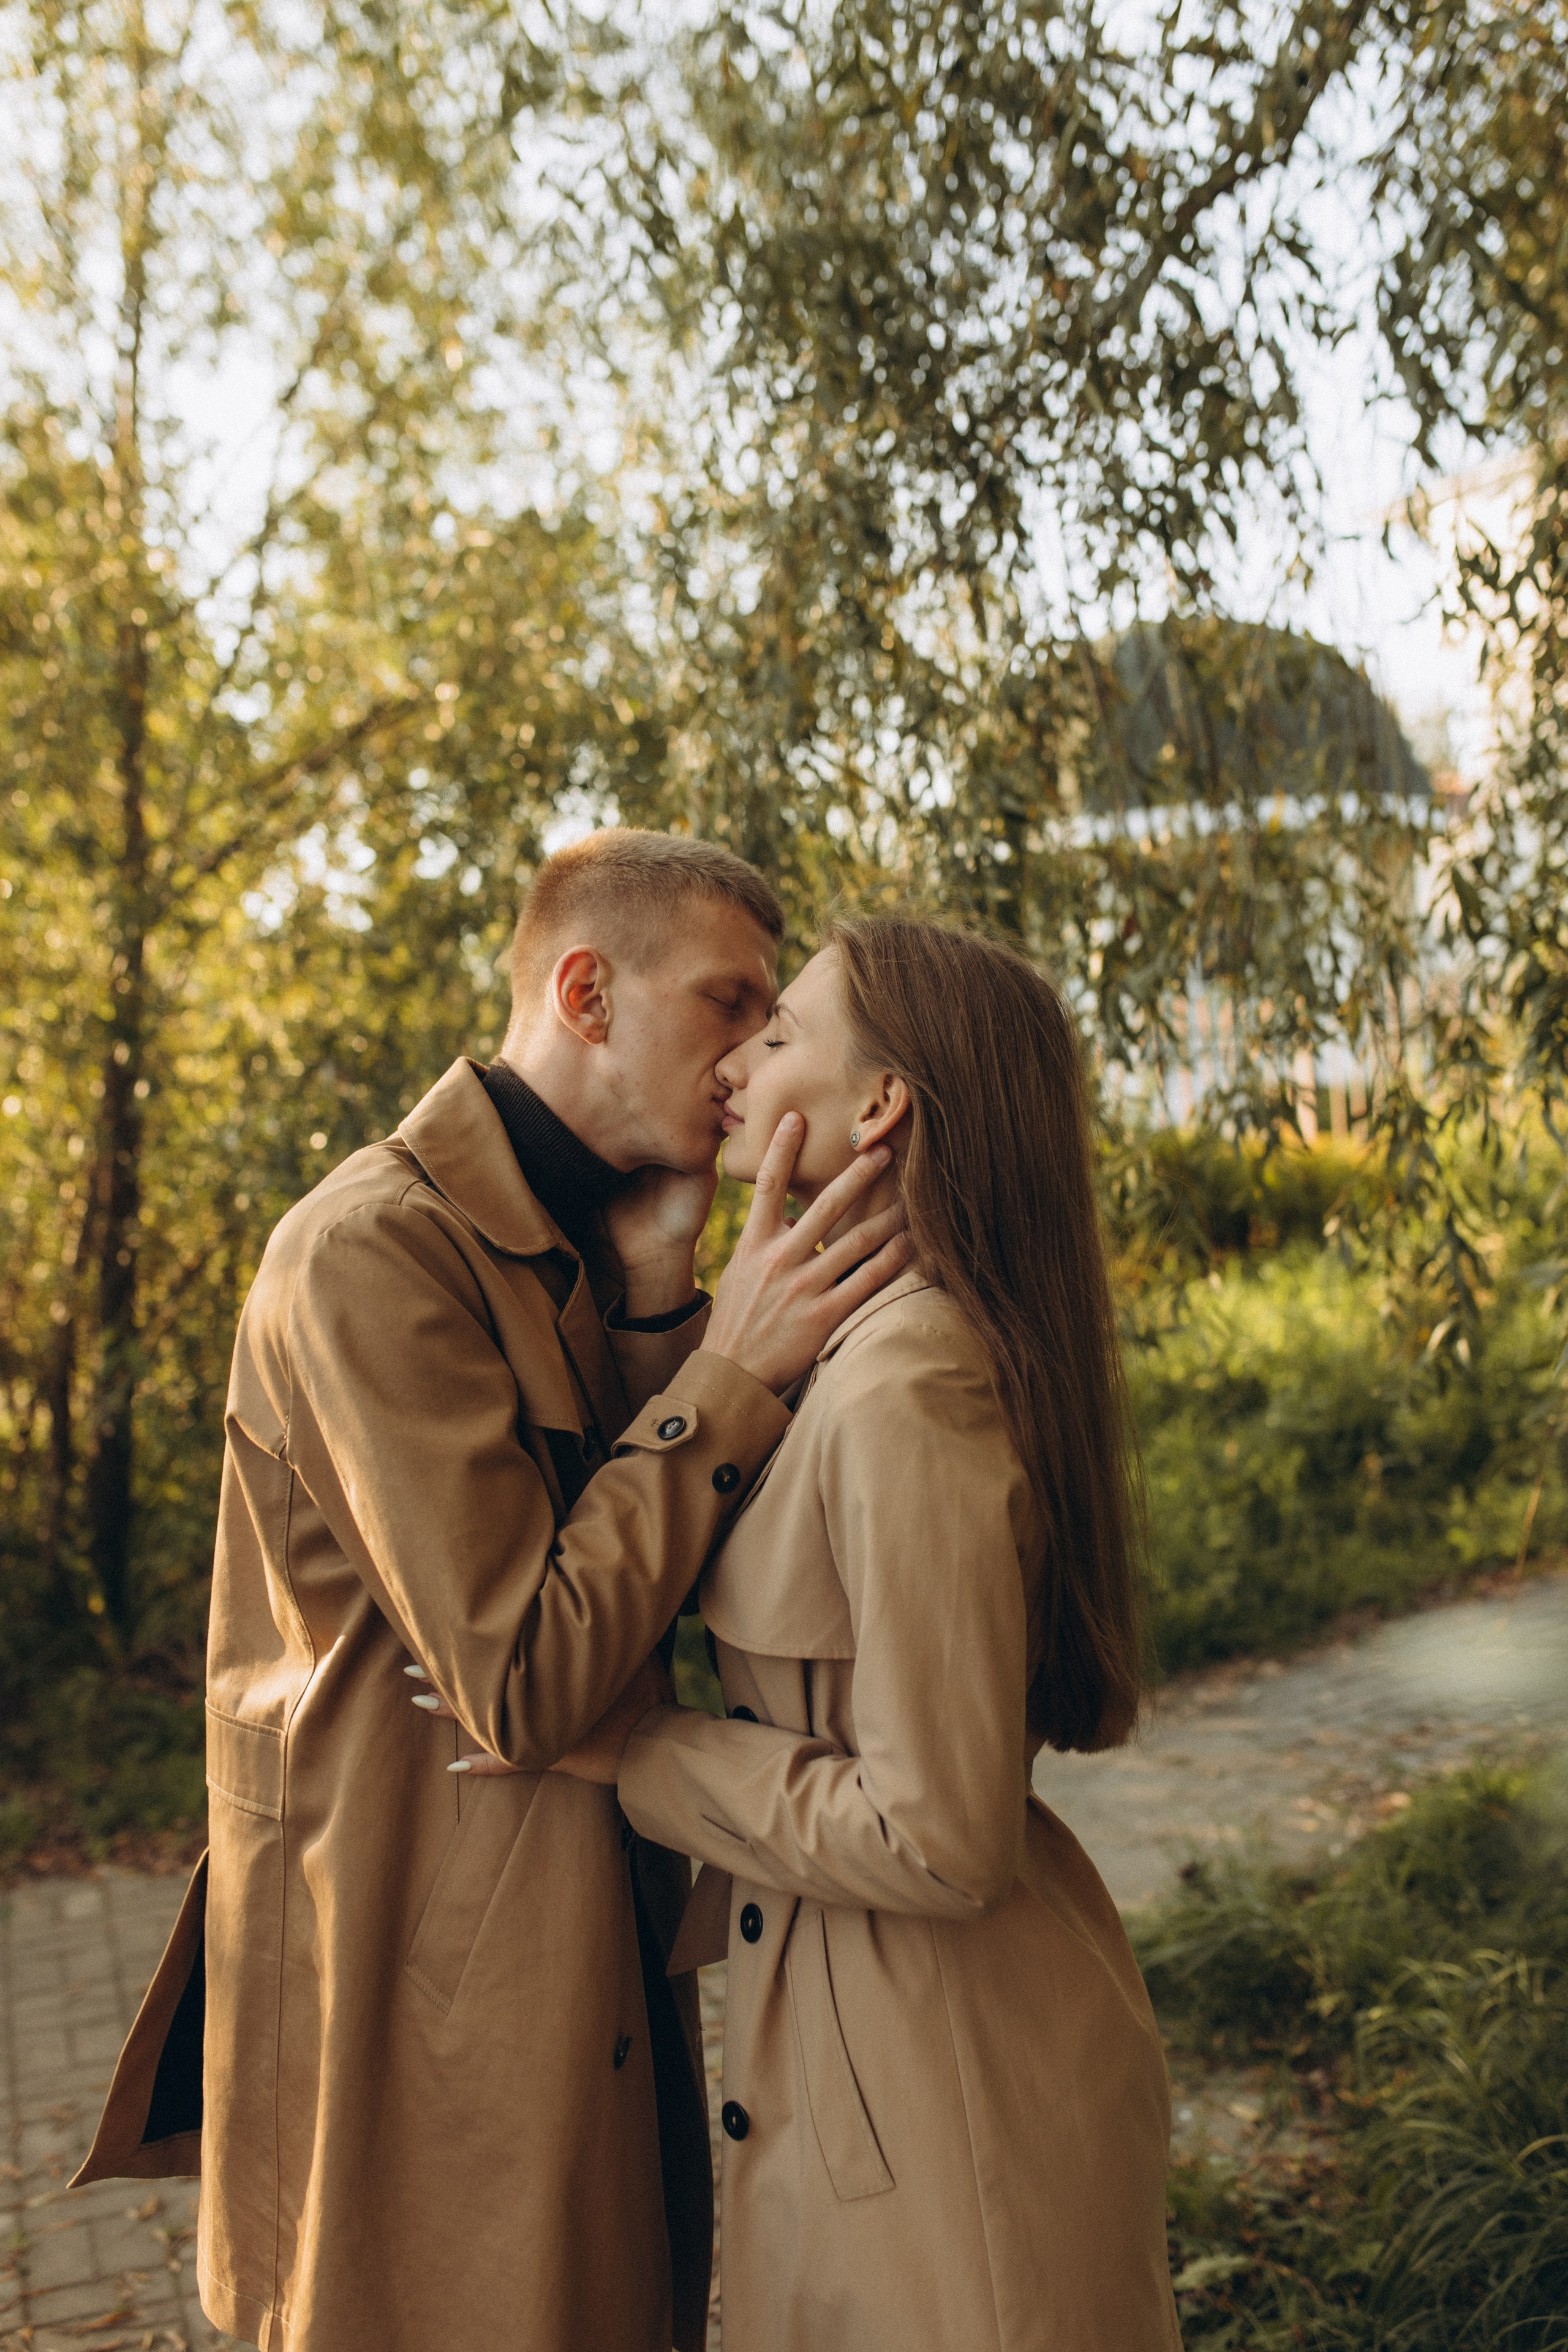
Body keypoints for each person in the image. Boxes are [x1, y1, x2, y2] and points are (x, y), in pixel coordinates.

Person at [72, 830, 911, 2352]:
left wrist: (665, 1306)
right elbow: (525, 1675)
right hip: (412, 1999)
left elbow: (654, 1577)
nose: (751, 1057)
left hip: (580, 1955)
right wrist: (726, 1378)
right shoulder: (369, 1253)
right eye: (729, 1004)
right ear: (586, 990)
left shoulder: (599, 1244)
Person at [513, 914, 1183, 2351]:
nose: (739, 1062)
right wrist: (660, 1290)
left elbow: (940, 1832)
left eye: (780, 1033)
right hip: (860, 2043)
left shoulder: (904, 1388)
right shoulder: (845, 1350)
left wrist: (645, 1756)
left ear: (880, 1105)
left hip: (946, 2081)